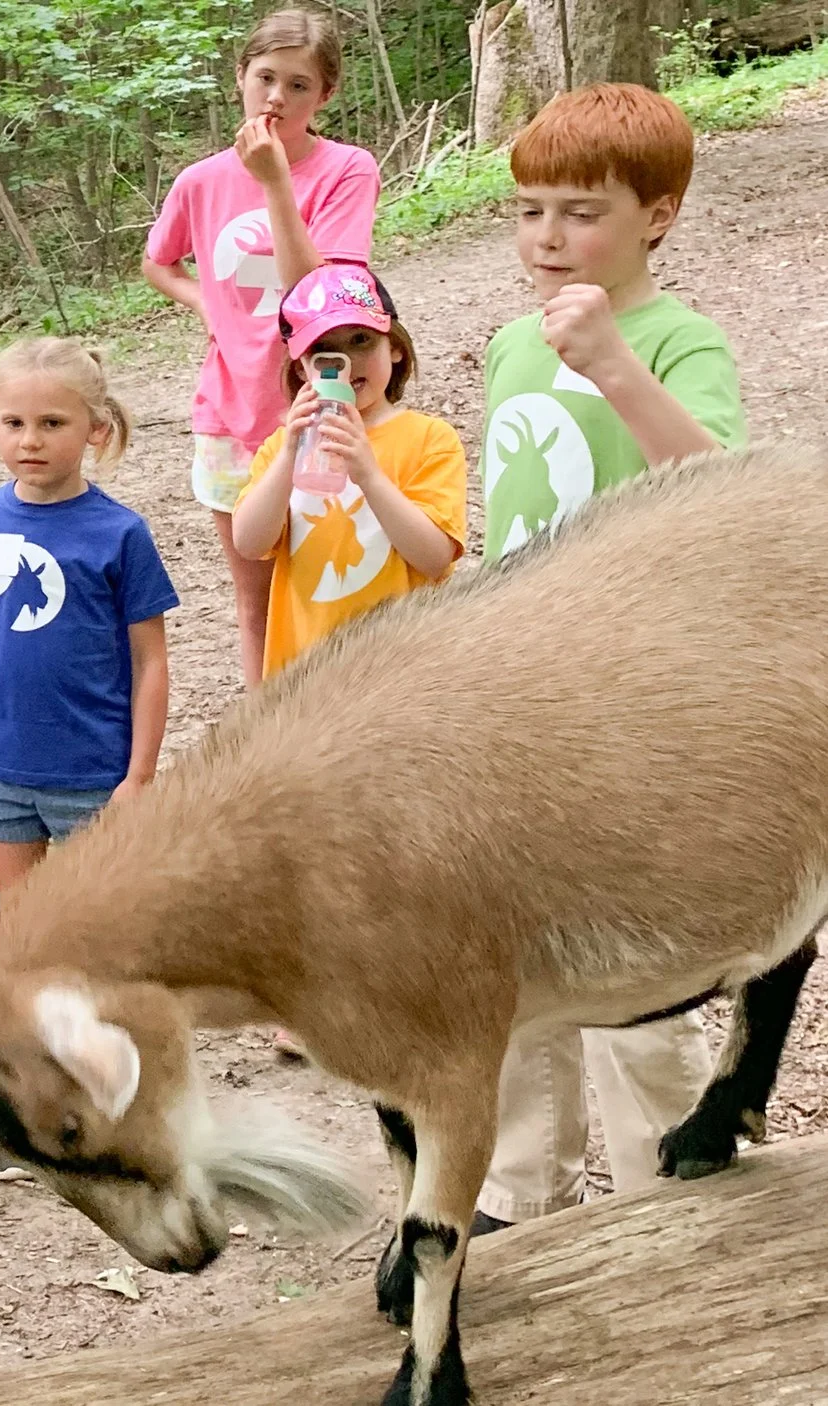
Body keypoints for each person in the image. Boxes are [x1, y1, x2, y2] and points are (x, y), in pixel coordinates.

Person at [473, 83, 741, 1235]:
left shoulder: (680, 339)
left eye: (579, 211)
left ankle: (670, 1197)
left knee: (631, 973)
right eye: (529, 208)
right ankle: (510, 1195)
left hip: (633, 712)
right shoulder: (503, 347)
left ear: (658, 214)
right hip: (519, 704)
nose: (545, 236)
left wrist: (617, 365)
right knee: (512, 964)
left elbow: (725, 491)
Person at [142, 8, 379, 689]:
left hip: (316, 401)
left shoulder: (346, 170)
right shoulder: (201, 180)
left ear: (325, 95)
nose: (277, 98)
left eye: (299, 86)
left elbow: (326, 289)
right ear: (240, 76)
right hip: (229, 407)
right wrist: (207, 305)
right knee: (255, 597)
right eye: (266, 78)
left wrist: (276, 182)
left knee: (328, 578)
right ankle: (267, 731)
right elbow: (159, 262)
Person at [0, 337, 176, 917]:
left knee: (99, 923)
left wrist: (139, 774)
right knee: (15, 920)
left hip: (92, 772)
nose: (30, 439)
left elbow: (152, 661)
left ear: (95, 428)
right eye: (13, 422)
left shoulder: (121, 534)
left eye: (52, 422)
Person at [231, 263, 465, 680]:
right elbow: (249, 543)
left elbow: (434, 558)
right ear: (301, 367)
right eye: (324, 351)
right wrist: (288, 455)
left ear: (394, 346)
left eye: (361, 341)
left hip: (405, 666)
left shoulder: (429, 438)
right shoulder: (282, 448)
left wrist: (369, 474)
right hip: (306, 671)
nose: (346, 364)